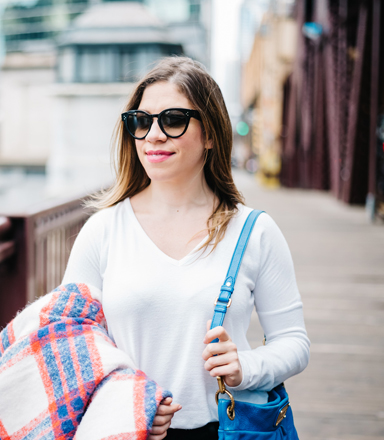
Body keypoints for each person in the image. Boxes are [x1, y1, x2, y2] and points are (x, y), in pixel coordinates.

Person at [61, 57, 310, 439]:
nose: (153, 135)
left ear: (210, 134)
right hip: (126, 430)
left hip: (226, 428)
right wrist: (126, 403)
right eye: (141, 122)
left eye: (173, 120)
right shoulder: (102, 231)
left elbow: (293, 342)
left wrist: (246, 367)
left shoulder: (254, 232)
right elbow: (69, 346)